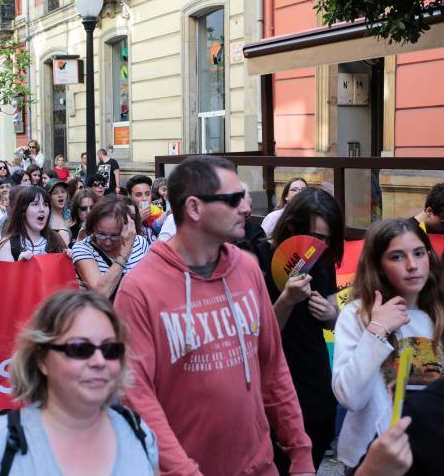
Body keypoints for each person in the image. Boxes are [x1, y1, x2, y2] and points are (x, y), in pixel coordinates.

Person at [114, 155, 314, 476]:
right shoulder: (139, 289)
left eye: (245, 197)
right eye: (234, 199)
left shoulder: (247, 267)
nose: (246, 208)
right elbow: (136, 396)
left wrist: (300, 450)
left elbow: (273, 366)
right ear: (194, 208)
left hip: (259, 465)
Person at [0, 289, 159, 476]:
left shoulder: (139, 434)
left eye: (110, 349)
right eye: (79, 349)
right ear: (42, 360)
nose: (99, 361)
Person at [332, 218, 444, 470]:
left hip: (428, 453)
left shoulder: (438, 314)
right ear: (378, 265)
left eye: (419, 253)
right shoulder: (357, 315)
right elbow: (349, 396)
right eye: (396, 257)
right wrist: (377, 331)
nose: (412, 266)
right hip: (371, 458)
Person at [262, 187, 343, 471]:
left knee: (319, 430)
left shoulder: (321, 259)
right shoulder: (260, 256)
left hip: (314, 366)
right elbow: (262, 335)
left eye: (328, 239)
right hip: (274, 368)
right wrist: (286, 300)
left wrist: (331, 313)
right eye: (318, 236)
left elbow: (335, 318)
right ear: (294, 226)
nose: (322, 244)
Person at [72, 196, 149, 301]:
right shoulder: (83, 248)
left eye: (115, 235)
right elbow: (101, 293)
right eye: (101, 234)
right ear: (93, 227)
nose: (108, 242)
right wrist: (125, 252)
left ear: (127, 227)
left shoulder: (140, 243)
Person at [0, 186, 66, 262]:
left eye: (45, 204)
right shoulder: (7, 245)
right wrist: (18, 265)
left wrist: (68, 259)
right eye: (35, 204)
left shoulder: (55, 239)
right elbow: (3, 273)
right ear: (23, 211)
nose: (42, 209)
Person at [126, 175, 169, 244]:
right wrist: (138, 220)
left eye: (147, 194)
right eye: (138, 195)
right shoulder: (124, 215)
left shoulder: (156, 210)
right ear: (130, 197)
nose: (144, 198)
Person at [47, 179, 71, 247]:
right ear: (49, 197)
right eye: (55, 193)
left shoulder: (72, 215)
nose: (60, 195)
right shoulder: (45, 217)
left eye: (63, 191)